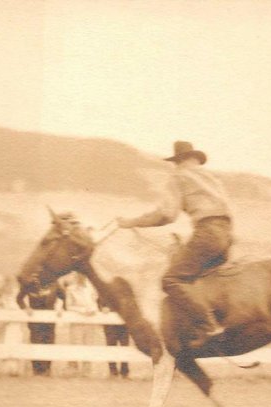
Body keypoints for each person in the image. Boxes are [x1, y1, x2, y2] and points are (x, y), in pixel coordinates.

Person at [117, 141, 233, 347]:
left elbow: (166, 215)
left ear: (178, 161)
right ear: (196, 159)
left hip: (207, 233)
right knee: (201, 279)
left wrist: (131, 223)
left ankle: (209, 326)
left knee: (171, 280)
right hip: (227, 235)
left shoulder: (179, 177)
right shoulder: (213, 179)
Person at [16, 280, 65, 376]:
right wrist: (26, 308)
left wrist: (61, 308)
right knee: (36, 341)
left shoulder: (54, 283)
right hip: (35, 321)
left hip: (50, 321)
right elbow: (19, 299)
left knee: (49, 342)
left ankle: (47, 369)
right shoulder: (29, 283)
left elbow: (64, 297)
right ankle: (37, 370)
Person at [62, 272, 99, 377]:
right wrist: (82, 310)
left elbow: (95, 302)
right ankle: (73, 369)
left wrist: (93, 309)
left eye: (83, 275)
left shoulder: (91, 288)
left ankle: (87, 371)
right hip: (76, 320)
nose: (81, 278)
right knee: (75, 343)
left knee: (89, 344)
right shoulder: (71, 289)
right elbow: (68, 306)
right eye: (78, 276)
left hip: (90, 320)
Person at [99, 296, 131, 378]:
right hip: (110, 325)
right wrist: (103, 307)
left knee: (124, 347)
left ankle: (124, 372)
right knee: (111, 347)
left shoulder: (124, 292)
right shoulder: (104, 291)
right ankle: (113, 371)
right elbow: (100, 302)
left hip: (123, 324)